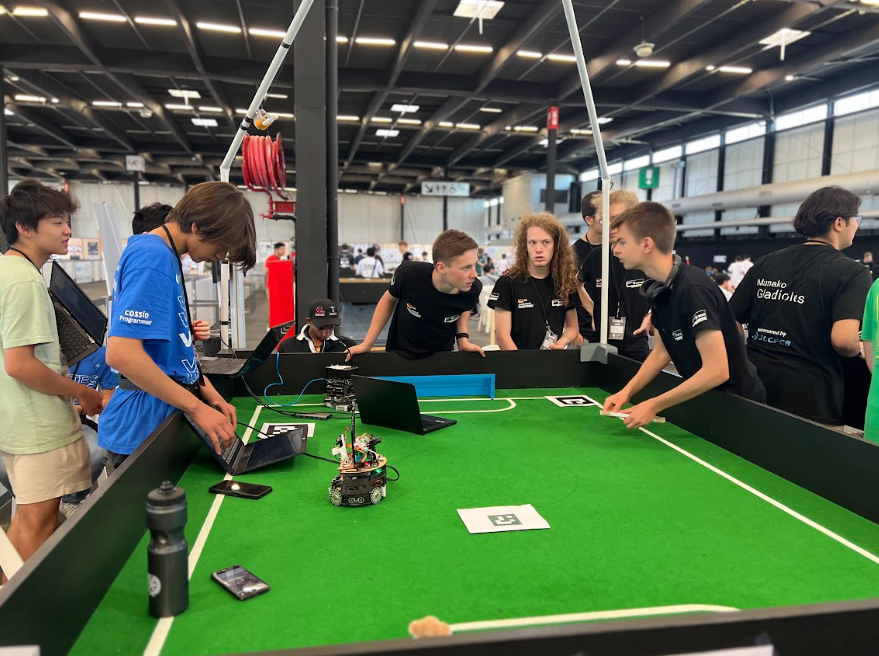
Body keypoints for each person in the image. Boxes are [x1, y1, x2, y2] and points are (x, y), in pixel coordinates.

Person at [98, 182, 256, 466]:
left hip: (158, 417)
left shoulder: (164, 255)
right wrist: (197, 408)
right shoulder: (152, 257)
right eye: (221, 247)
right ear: (197, 227)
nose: (219, 257)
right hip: (141, 427)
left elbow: (170, 346)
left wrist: (202, 386)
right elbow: (121, 353)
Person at [0, 179, 103, 577]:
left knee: (32, 524)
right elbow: (20, 365)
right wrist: (82, 393)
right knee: (35, 525)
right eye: (58, 221)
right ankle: (16, 624)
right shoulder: (25, 281)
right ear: (24, 227)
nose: (67, 230)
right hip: (37, 428)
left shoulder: (10, 270)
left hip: (19, 421)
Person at [603, 202, 765, 429]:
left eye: (621, 242)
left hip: (739, 406)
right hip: (706, 401)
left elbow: (717, 370)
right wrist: (626, 392)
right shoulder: (659, 290)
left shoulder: (692, 289)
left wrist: (652, 404)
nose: (615, 249)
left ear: (646, 244)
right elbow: (661, 351)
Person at [729, 186, 871, 428]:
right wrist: (860, 347)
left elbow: (728, 320)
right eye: (855, 219)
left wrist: (745, 357)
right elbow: (844, 341)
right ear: (839, 223)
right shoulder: (853, 272)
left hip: (754, 384)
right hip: (812, 398)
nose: (857, 226)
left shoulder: (766, 262)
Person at [346, 229, 485, 360]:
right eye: (466, 267)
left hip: (442, 355)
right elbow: (388, 300)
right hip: (400, 354)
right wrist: (367, 343)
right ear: (441, 268)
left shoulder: (473, 287)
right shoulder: (408, 275)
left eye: (474, 265)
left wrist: (462, 339)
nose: (475, 274)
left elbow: (463, 307)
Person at [489, 213, 581, 350]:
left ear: (556, 246)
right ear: (524, 246)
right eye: (532, 242)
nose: (538, 250)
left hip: (553, 361)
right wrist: (524, 365)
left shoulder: (565, 282)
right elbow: (502, 336)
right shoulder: (507, 283)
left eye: (546, 242)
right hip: (519, 364)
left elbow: (573, 327)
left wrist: (563, 342)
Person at [580, 190, 652, 361]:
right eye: (607, 219)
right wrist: (593, 311)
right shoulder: (597, 256)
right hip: (599, 343)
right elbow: (575, 284)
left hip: (635, 344)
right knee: (595, 387)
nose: (611, 225)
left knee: (637, 387)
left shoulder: (646, 256)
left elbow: (668, 289)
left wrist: (651, 316)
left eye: (618, 218)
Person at [278, 298, 358, 354]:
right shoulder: (288, 347)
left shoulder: (348, 346)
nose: (326, 333)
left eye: (330, 327)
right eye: (321, 328)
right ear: (309, 321)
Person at [573, 191, 602, 342]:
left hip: (615, 331)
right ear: (589, 220)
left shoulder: (618, 250)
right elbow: (566, 294)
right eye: (604, 218)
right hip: (584, 333)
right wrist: (574, 334)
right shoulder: (573, 253)